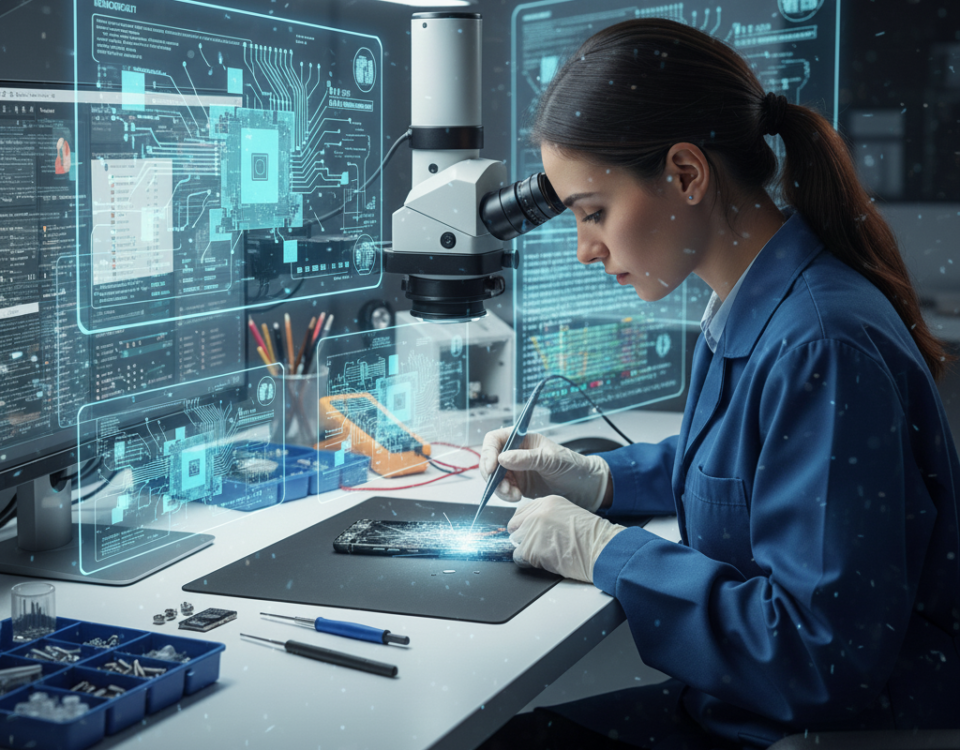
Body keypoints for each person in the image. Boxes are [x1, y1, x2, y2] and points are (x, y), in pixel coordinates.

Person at [478, 17, 960, 750]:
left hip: (814, 728)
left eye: (594, 213)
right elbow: (749, 469)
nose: (584, 250)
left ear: (685, 174)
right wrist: (596, 479)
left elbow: (817, 654)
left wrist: (608, 553)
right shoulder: (754, 301)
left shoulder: (821, 345)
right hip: (743, 713)